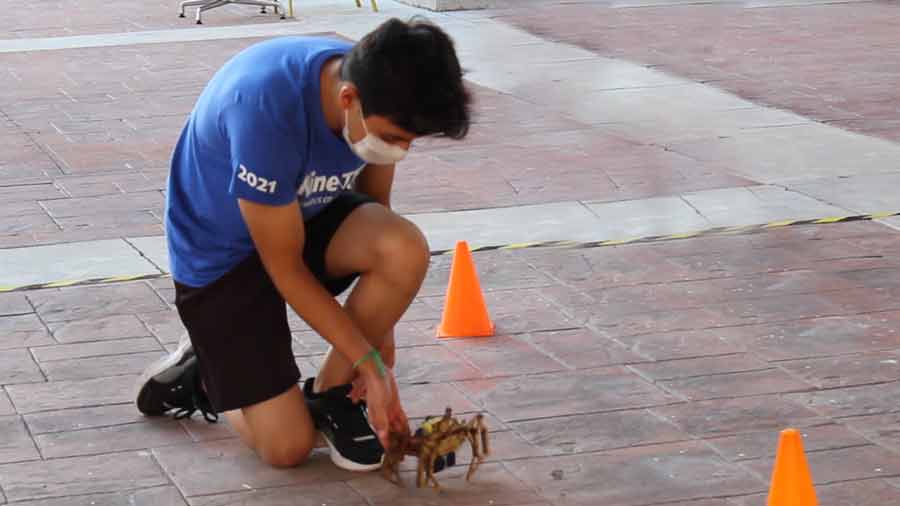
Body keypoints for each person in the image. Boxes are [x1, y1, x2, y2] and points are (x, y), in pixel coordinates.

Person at [133, 16, 471, 471]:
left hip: (302, 218)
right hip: (223, 257)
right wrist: (367, 362)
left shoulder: (378, 86)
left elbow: (376, 208)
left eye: (409, 142)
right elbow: (284, 269)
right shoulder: (265, 109)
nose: (398, 151)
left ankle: (332, 397)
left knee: (402, 246)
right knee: (286, 448)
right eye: (393, 138)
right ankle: (207, 371)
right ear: (348, 99)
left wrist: (378, 340)